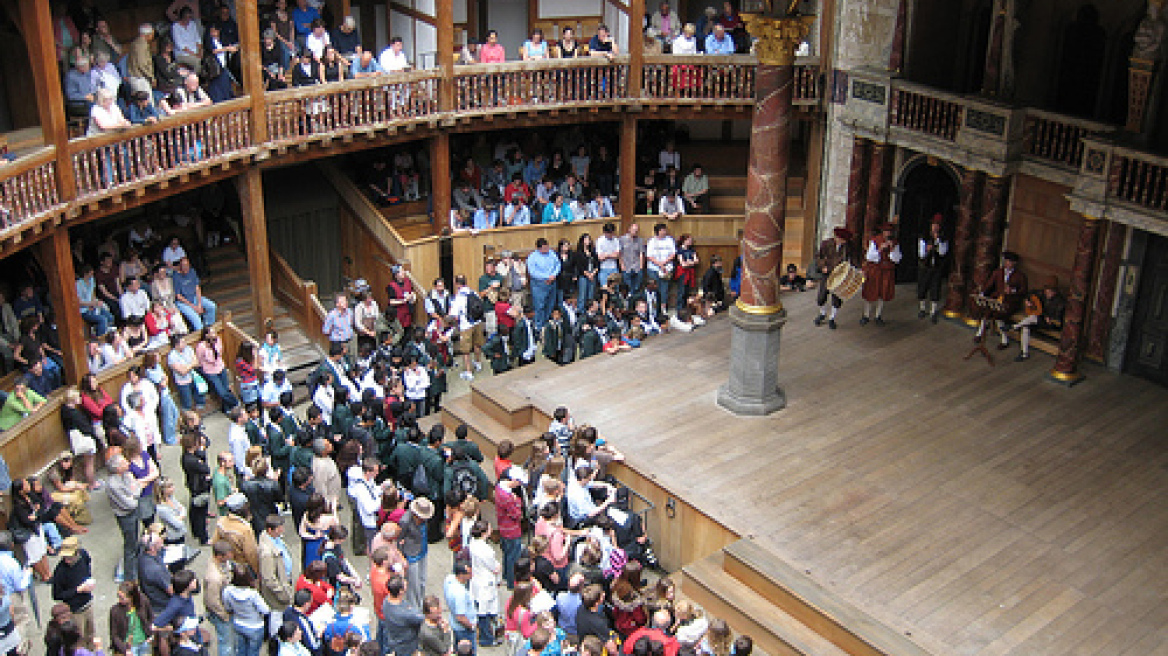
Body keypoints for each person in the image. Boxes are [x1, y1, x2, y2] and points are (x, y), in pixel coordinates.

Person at [974, 251, 1028, 349]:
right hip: (997, 298)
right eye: (1006, 261)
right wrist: (982, 294)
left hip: (1011, 302)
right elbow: (989, 285)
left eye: (1010, 262)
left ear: (1014, 263)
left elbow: (1023, 290)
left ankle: (1004, 339)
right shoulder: (998, 272)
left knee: (999, 316)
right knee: (986, 312)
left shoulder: (1020, 276)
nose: (1007, 264)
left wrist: (1013, 290)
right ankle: (979, 334)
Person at [51, 536, 96, 647]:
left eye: (70, 557)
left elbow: (88, 565)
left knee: (91, 635)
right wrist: (77, 590)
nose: (67, 560)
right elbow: (57, 595)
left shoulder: (84, 555)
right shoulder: (60, 571)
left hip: (88, 604)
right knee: (78, 640)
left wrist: (88, 581)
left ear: (77, 553)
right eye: (64, 557)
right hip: (75, 611)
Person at [1012, 277, 1066, 361]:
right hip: (1040, 318)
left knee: (1032, 318)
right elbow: (1030, 293)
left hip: (1051, 324)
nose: (1048, 293)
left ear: (1055, 291)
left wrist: (1051, 319)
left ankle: (1014, 326)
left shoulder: (1060, 302)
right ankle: (1024, 353)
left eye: (1050, 291)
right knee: (1026, 326)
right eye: (1047, 290)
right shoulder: (1041, 294)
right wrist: (1028, 301)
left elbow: (1058, 320)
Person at [222, 564, 270, 656]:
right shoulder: (253, 594)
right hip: (255, 627)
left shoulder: (227, 590)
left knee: (240, 651)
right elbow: (265, 610)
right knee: (253, 652)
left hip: (238, 624)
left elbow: (227, 607)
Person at [813, 227, 855, 329]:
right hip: (827, 273)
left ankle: (832, 318)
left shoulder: (848, 247)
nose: (842, 242)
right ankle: (822, 313)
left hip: (840, 275)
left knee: (837, 297)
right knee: (821, 296)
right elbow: (818, 257)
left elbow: (852, 259)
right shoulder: (826, 244)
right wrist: (822, 266)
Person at [860, 224, 902, 326]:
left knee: (883, 293)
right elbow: (869, 257)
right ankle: (866, 315)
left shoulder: (895, 243)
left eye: (890, 232)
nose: (888, 234)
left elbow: (897, 259)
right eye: (886, 231)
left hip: (887, 271)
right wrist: (880, 249)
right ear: (883, 232)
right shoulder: (875, 240)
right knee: (870, 292)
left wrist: (891, 249)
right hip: (875, 270)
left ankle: (878, 316)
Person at [380, 575, 424, 656]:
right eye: (404, 584)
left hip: (395, 641)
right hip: (407, 646)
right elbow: (422, 619)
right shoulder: (405, 613)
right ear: (400, 591)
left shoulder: (386, 601)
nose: (406, 582)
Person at [917, 215, 949, 323]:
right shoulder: (924, 237)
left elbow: (943, 252)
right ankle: (922, 309)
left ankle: (933, 311)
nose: (935, 227)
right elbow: (921, 254)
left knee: (935, 288)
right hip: (925, 267)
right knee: (923, 287)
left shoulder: (943, 238)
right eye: (933, 225)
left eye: (937, 225)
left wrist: (938, 241)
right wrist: (927, 249)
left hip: (936, 268)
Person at [172, 257, 217, 330]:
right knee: (197, 321)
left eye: (187, 266)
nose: (186, 268)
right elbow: (178, 296)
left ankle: (209, 328)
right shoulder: (176, 276)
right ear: (180, 267)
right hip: (183, 302)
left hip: (194, 297)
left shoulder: (192, 271)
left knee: (212, 306)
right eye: (183, 266)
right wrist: (194, 307)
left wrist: (199, 304)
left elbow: (197, 288)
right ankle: (201, 335)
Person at [528, 239, 562, 332]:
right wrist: (546, 277)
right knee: (540, 306)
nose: (547, 249)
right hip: (539, 284)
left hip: (552, 282)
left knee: (550, 304)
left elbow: (558, 265)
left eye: (547, 246)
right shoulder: (532, 257)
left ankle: (547, 325)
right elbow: (532, 272)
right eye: (544, 248)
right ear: (539, 248)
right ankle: (539, 327)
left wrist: (554, 275)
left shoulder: (552, 253)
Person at [443, 563, 476, 650]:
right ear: (461, 575)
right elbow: (460, 617)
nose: (471, 576)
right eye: (469, 573)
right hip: (464, 630)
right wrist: (471, 626)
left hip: (454, 624)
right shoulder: (460, 593)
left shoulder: (449, 579)